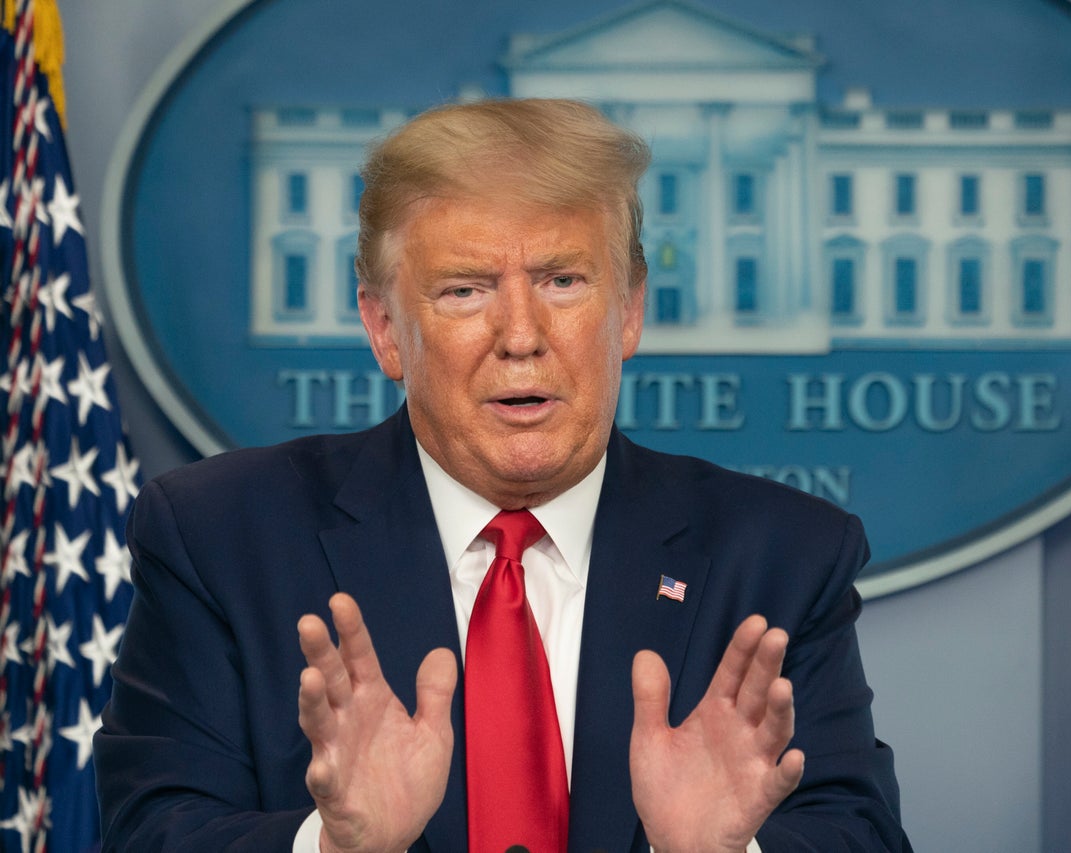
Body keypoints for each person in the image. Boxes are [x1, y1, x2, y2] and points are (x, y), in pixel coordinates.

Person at [94, 98, 910, 852]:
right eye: (465, 289)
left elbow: (858, 833)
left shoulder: (781, 556)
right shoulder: (221, 536)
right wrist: (335, 846)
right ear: (384, 328)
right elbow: (150, 829)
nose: (521, 335)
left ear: (627, 310)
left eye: (563, 281)